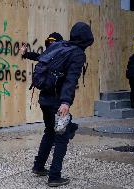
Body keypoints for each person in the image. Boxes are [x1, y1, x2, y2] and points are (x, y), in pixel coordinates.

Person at [32, 22, 94, 187]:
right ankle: (54, 176)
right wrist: (65, 102)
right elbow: (71, 79)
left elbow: (41, 59)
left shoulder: (59, 45)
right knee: (61, 137)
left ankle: (38, 166)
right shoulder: (78, 53)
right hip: (57, 102)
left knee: (49, 132)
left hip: (44, 97)